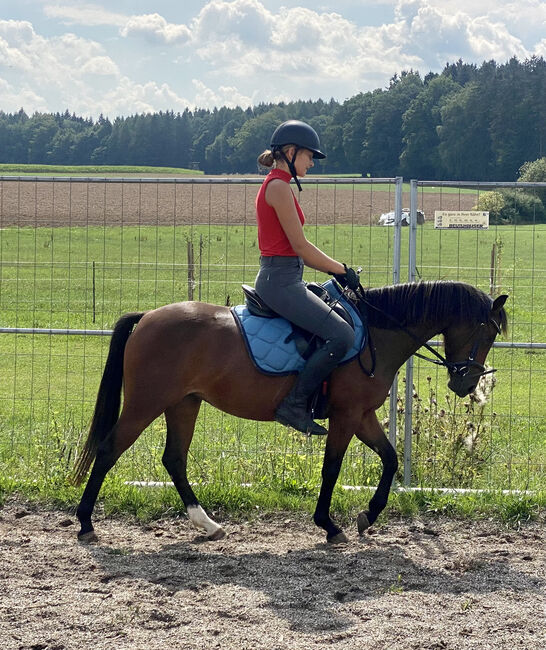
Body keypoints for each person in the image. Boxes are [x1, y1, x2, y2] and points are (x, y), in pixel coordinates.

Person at [254, 120, 360, 436]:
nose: (312, 162)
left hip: (287, 278)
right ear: (290, 152)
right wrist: (341, 270)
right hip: (280, 282)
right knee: (342, 335)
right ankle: (294, 404)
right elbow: (300, 246)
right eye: (308, 156)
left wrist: (338, 270)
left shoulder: (278, 184)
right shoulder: (278, 187)